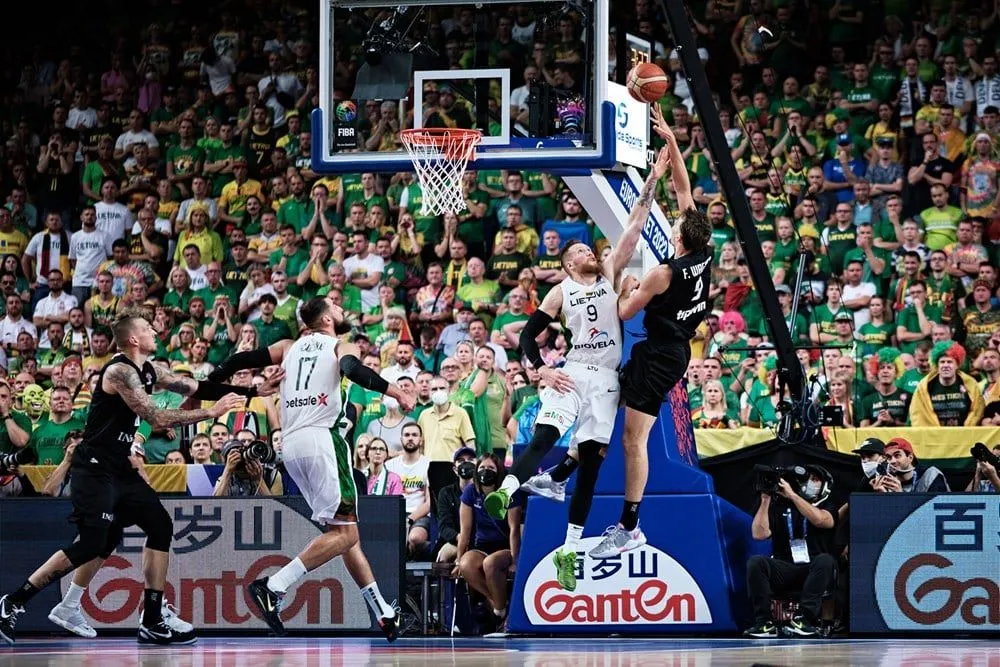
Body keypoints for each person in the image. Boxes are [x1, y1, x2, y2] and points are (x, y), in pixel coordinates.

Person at [0, 309, 277, 646]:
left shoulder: (148, 370)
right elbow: (155, 415)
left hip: (121, 467)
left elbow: (196, 384)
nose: (155, 331)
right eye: (148, 328)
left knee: (159, 526)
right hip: (95, 468)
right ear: (133, 338)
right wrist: (208, 413)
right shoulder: (119, 372)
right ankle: (12, 602)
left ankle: (151, 616)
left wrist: (253, 394)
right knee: (91, 543)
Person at [483, 119, 672, 592]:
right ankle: (507, 491)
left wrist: (652, 178)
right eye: (584, 248)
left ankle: (568, 550)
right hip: (573, 371)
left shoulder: (610, 275)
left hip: (608, 377)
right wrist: (541, 369)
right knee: (545, 434)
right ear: (569, 263)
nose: (593, 250)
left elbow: (633, 225)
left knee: (590, 462)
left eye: (592, 247)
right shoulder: (560, 292)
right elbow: (528, 337)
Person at [206, 297, 416, 641]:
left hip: (290, 445)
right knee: (345, 534)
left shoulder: (288, 346)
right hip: (324, 440)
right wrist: (397, 392)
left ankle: (385, 613)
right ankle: (274, 586)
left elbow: (239, 359)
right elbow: (352, 370)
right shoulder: (340, 344)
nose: (341, 307)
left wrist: (210, 386)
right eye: (336, 305)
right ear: (326, 318)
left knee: (345, 535)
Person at [588, 109, 713, 559]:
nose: (675, 222)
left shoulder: (663, 273)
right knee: (605, 403)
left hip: (662, 352)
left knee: (632, 440)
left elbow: (623, 312)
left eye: (675, 224)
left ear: (678, 236)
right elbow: (683, 187)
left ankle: (629, 525)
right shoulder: (704, 249)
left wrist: (621, 285)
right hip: (668, 348)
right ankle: (572, 469)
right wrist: (670, 143)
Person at [744, 465, 838, 638]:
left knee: (826, 560)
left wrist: (793, 496)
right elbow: (759, 534)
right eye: (808, 478)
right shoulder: (779, 505)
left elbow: (821, 521)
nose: (810, 482)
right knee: (756, 562)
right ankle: (764, 622)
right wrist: (765, 499)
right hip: (785, 567)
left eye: (816, 480)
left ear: (825, 485)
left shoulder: (828, 505)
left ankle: (803, 619)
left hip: (813, 569)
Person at [455, 453, 522, 631]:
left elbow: (514, 529)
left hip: (505, 547)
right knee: (466, 564)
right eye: (482, 468)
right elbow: (465, 530)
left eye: (491, 468)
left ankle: (498, 612)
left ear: (499, 472)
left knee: (490, 563)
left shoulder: (509, 493)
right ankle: (499, 605)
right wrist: (458, 559)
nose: (486, 472)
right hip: (482, 546)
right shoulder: (471, 492)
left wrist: (515, 560)